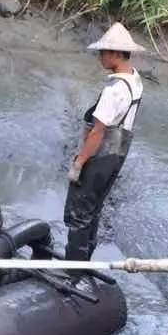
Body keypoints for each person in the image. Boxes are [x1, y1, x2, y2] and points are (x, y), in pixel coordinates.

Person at [64, 23, 145, 262]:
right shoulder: (134, 79)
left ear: (117, 54)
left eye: (104, 52)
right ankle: (84, 263)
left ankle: (72, 272)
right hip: (117, 156)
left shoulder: (114, 89)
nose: (100, 57)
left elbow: (98, 131)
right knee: (94, 209)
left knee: (79, 214)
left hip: (100, 155)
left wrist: (79, 163)